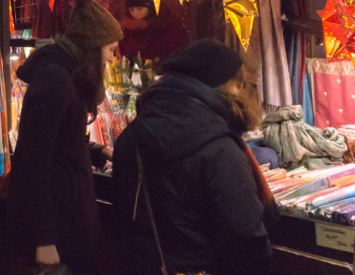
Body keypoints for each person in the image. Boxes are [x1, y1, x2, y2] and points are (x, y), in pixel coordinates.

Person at [112, 39, 276, 275]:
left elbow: (127, 219)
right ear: (222, 86)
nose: (243, 92)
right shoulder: (220, 150)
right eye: (239, 85)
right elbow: (245, 239)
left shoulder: (132, 136)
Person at [7, 0, 124, 275]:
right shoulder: (55, 80)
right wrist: (44, 239)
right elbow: (33, 160)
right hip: (58, 227)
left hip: (68, 216)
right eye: (110, 50)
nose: (112, 58)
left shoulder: (67, 78)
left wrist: (98, 151)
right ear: (93, 48)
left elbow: (60, 143)